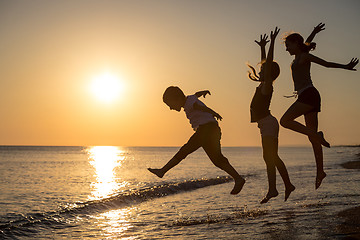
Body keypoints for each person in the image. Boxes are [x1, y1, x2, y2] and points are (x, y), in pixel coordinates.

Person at [280, 23, 359, 189]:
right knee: (313, 138)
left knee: (285, 121)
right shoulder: (299, 56)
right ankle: (320, 172)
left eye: (288, 45)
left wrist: (345, 66)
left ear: (295, 44)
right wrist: (314, 32)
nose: (286, 49)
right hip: (307, 96)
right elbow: (306, 44)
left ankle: (318, 135)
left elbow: (327, 64)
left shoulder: (304, 57)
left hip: (309, 95)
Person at [148, 86, 245, 195]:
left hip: (205, 130)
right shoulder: (190, 98)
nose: (171, 108)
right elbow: (196, 95)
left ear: (177, 99)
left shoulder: (190, 104)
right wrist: (203, 92)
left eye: (170, 105)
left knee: (184, 151)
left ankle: (162, 171)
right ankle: (238, 178)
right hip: (213, 130)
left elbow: (199, 107)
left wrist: (214, 113)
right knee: (217, 160)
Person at [248, 27, 295, 203]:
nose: (259, 71)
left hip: (268, 124)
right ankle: (282, 187)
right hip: (266, 124)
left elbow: (266, 67)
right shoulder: (263, 84)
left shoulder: (267, 85)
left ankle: (275, 189)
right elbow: (264, 64)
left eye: (263, 71)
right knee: (271, 157)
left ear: (268, 74)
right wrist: (262, 46)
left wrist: (273, 42)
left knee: (270, 157)